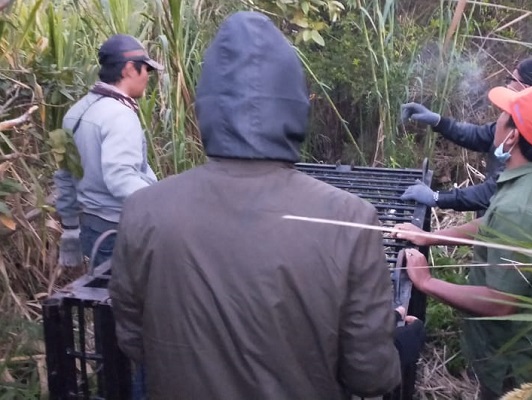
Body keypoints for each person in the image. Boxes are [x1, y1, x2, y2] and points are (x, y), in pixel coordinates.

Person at [109, 11, 405, 400]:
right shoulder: (350, 219)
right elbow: (371, 376)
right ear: (296, 106)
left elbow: (134, 340)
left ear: (207, 107)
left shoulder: (144, 209)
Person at [394, 83, 532, 399]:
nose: (497, 120)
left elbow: (500, 301)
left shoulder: (520, 205)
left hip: (518, 358)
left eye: (505, 115)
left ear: (514, 136)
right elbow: (495, 224)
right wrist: (432, 237)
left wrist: (426, 283)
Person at [400, 55, 532, 217]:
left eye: (512, 79)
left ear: (529, 88)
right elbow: (481, 135)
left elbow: (496, 191)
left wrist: (438, 198)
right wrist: (439, 121)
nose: (508, 84)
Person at [54, 34, 162, 268]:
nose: (147, 78)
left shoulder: (76, 111)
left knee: (104, 298)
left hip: (92, 229)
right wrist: (165, 203)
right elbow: (121, 178)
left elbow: (64, 174)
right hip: (118, 230)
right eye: (146, 69)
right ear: (129, 70)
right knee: (130, 302)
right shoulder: (120, 116)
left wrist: (70, 227)